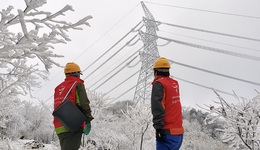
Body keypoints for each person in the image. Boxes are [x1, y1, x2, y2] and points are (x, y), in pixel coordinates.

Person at [53, 62, 94, 150]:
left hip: (59, 125)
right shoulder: (77, 84)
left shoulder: (58, 88)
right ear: (76, 73)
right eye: (79, 73)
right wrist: (88, 119)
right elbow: (83, 103)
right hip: (72, 126)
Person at [151, 57, 184, 150]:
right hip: (178, 134)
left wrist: (158, 129)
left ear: (156, 71)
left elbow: (157, 107)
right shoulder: (174, 83)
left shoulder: (159, 84)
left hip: (166, 134)